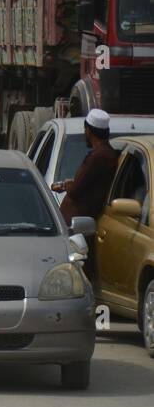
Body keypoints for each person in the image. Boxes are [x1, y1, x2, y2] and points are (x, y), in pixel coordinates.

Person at [53, 108, 119, 289]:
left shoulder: (99, 156)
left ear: (89, 131)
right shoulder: (105, 153)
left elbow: (76, 189)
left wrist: (65, 185)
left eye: (85, 130)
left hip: (79, 225)